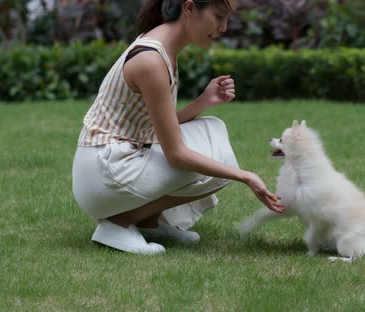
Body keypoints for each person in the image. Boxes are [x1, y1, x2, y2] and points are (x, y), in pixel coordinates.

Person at [72, 0, 284, 255]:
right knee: (216, 160)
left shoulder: (162, 48)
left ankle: (149, 223)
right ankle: (118, 223)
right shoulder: (151, 61)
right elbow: (176, 153)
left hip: (115, 159)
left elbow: (160, 125)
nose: (224, 28)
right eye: (219, 17)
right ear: (190, 8)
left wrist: (204, 101)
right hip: (104, 172)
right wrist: (245, 177)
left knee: (212, 130)